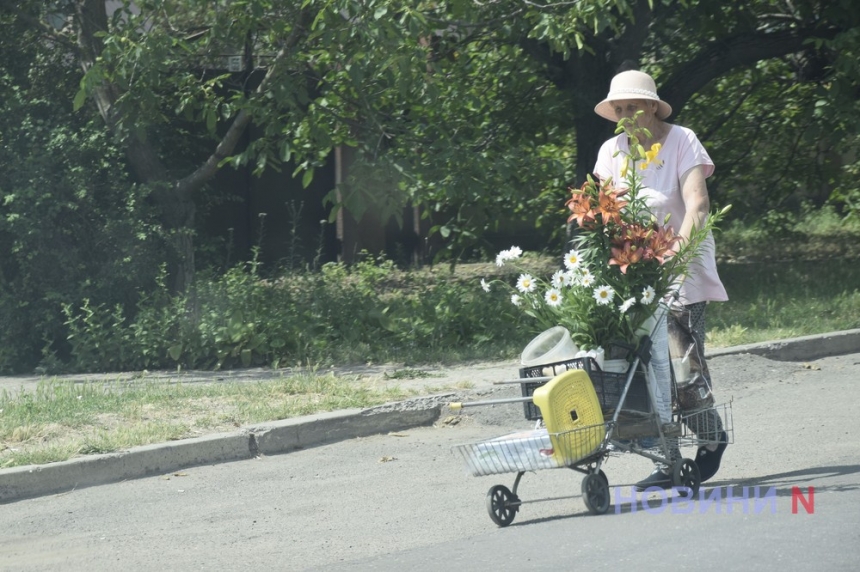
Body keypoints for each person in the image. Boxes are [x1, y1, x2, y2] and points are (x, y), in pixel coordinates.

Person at [591, 69, 729, 490]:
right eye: (620, 108)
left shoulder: (682, 140)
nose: (626, 114)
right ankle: (667, 459)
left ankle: (710, 436)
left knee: (680, 361)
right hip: (634, 268)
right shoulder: (611, 151)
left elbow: (698, 205)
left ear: (651, 106)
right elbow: (606, 217)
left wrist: (675, 257)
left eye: (633, 106)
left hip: (680, 263)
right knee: (635, 366)